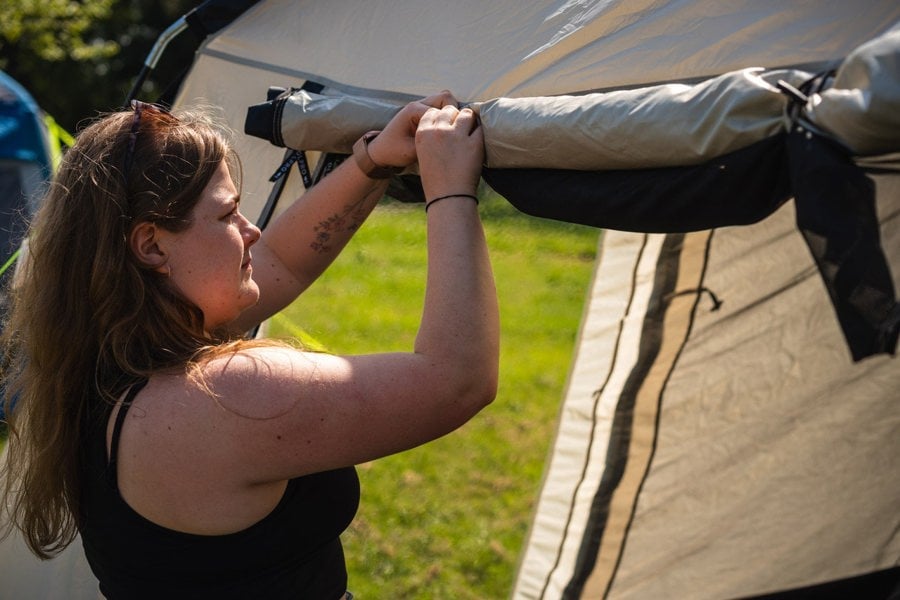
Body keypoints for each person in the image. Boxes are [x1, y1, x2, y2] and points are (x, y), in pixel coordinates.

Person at [0, 90, 498, 599]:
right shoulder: (220, 397)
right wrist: (451, 190)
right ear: (151, 245)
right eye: (226, 215)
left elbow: (281, 261)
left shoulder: (103, 355)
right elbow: (454, 379)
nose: (252, 230)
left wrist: (372, 161)